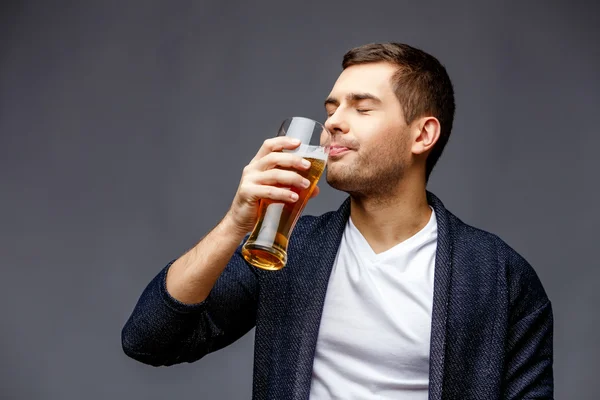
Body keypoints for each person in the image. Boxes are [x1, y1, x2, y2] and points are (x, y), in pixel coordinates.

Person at [121, 42, 553, 399]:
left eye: (362, 108)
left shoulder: (499, 274)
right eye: (332, 107)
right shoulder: (291, 249)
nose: (333, 122)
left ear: (422, 135)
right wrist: (236, 222)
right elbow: (150, 340)